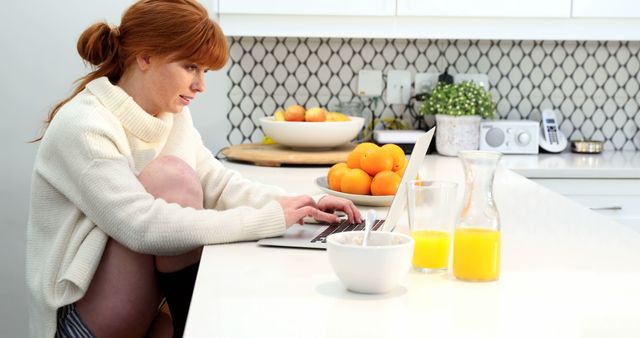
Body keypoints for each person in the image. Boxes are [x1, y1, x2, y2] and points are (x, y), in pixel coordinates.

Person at [26, 1, 362, 337]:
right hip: (80, 324)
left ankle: (194, 325)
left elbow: (218, 183)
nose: (200, 85)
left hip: (146, 309)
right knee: (171, 178)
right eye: (191, 67)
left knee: (186, 189)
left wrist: (303, 206)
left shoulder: (170, 114)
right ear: (145, 57)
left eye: (204, 72)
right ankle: (197, 328)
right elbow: (142, 226)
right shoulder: (85, 125)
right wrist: (269, 219)